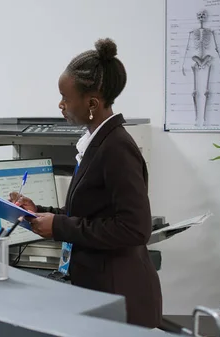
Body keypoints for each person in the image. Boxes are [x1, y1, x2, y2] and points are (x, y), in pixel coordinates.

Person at [10, 38, 162, 328]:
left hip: (120, 298)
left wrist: (58, 226)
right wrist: (40, 210)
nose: (61, 104)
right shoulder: (96, 142)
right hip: (98, 287)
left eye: (65, 98)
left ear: (91, 103)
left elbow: (134, 228)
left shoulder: (117, 147)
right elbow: (94, 213)